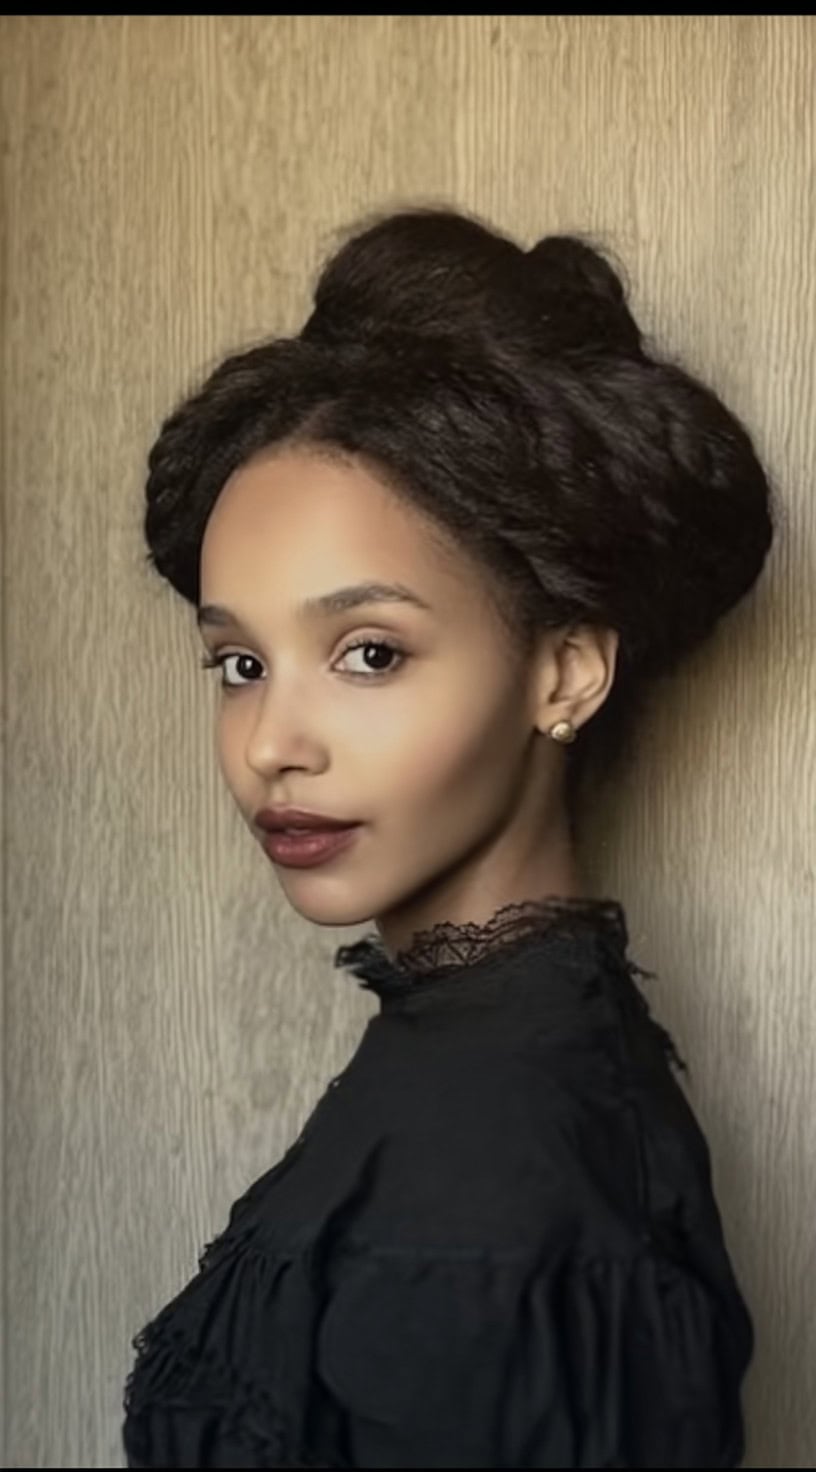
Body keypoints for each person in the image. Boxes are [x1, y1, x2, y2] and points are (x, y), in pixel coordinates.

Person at [121, 206, 774, 1468]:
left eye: (369, 651)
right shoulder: (486, 1059)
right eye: (239, 661)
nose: (271, 742)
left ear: (565, 670)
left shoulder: (496, 1180)